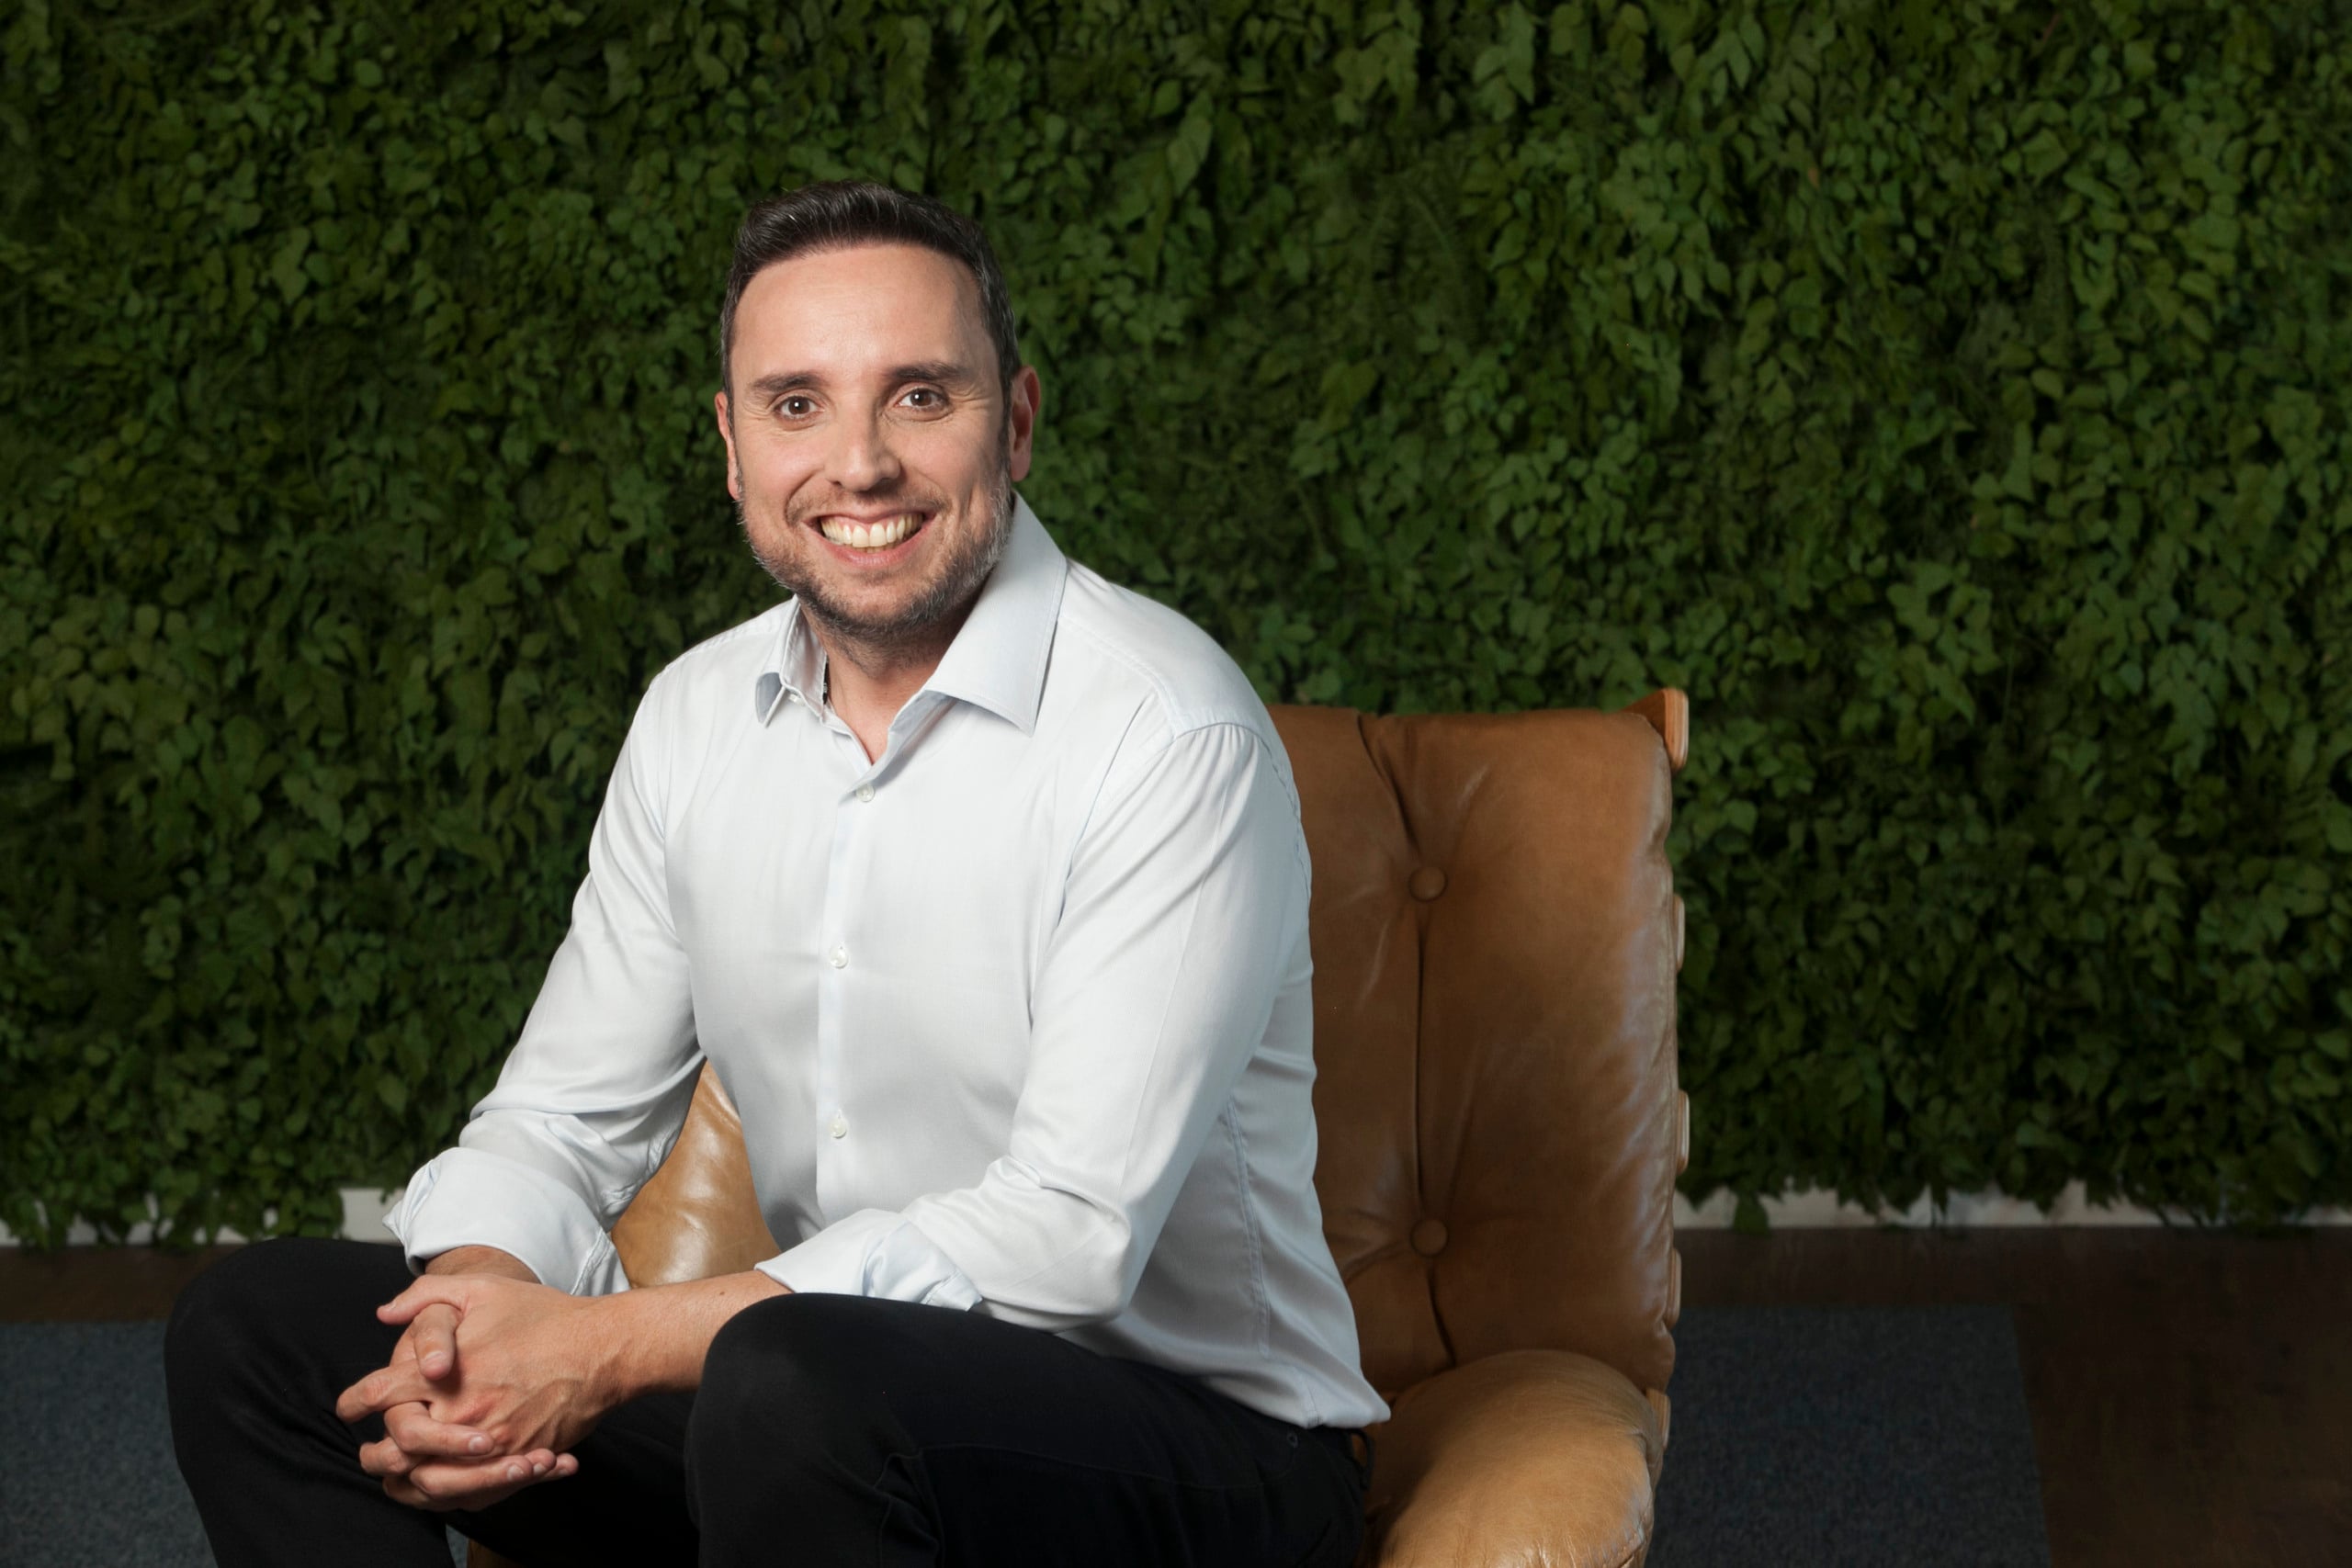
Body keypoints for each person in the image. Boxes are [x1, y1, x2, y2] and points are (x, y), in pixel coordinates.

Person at [166, 179, 1385, 1567]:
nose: (859, 466)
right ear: (733, 447)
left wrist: (603, 1348)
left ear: (1017, 421)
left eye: (919, 396)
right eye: (797, 404)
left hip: (1204, 1452)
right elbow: (559, 1117)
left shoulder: (1167, 733)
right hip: (820, 1426)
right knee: (261, 1332)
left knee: (787, 1381)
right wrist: (473, 1313)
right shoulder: (696, 717)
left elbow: (1071, 1234)